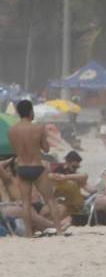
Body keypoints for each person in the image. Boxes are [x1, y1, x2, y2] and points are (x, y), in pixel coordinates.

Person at [5, 100, 64, 238]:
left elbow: (14, 150)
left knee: (26, 203)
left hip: (22, 167)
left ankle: (29, 234)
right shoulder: (38, 128)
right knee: (50, 200)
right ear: (31, 111)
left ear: (18, 113)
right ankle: (59, 231)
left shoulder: (11, 130)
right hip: (37, 166)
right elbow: (46, 148)